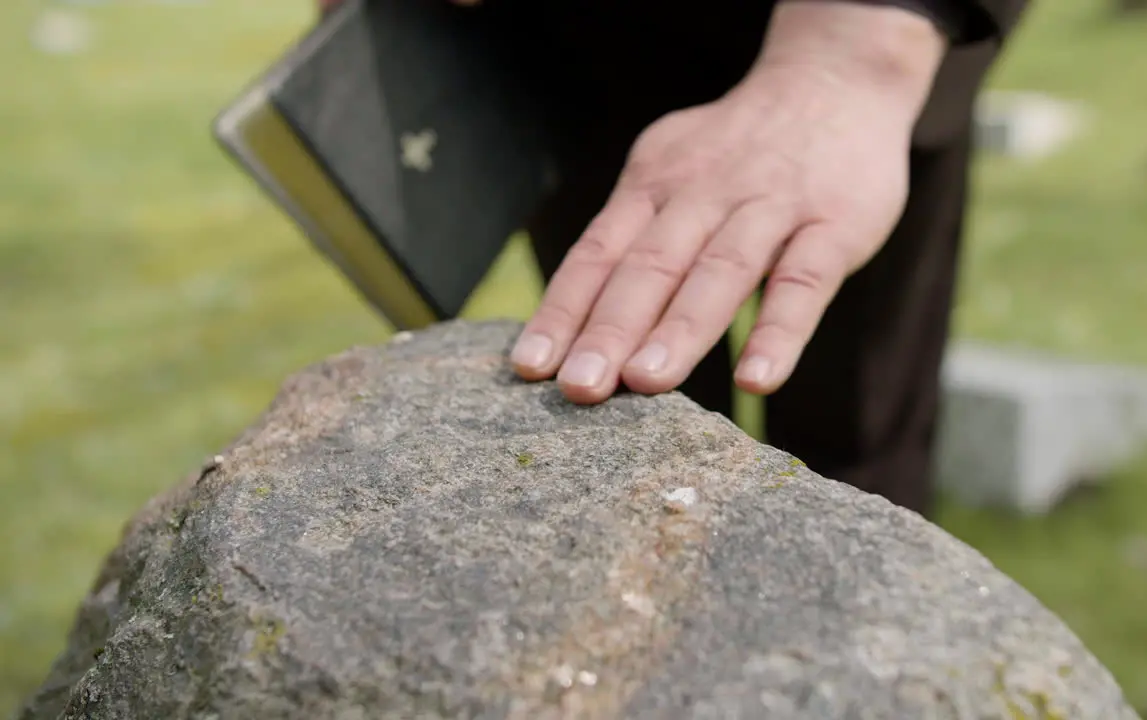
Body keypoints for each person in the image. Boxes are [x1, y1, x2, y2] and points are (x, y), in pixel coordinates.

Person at [319, 0, 1029, 519]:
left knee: (857, 450)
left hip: (843, 62)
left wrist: (868, 40)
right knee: (627, 417)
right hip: (572, 58)